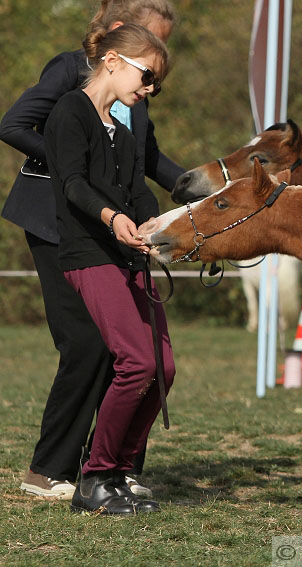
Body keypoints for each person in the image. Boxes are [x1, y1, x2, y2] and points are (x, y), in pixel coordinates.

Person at [0, 0, 183, 501]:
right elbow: (15, 126)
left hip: (115, 229)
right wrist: (75, 163)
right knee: (88, 346)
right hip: (60, 224)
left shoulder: (132, 105)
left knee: (145, 358)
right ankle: (51, 469)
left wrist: (200, 195)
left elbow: (146, 162)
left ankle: (115, 469)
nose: (154, 75)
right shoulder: (69, 77)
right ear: (120, 42)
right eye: (152, 47)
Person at [44, 22, 176, 515]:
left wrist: (159, 224)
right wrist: (113, 217)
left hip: (127, 255)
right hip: (88, 254)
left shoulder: (120, 130)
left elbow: (139, 192)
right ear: (113, 61)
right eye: (146, 77)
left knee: (162, 368)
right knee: (137, 363)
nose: (149, 90)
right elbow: (73, 185)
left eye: (155, 85)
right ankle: (95, 478)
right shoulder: (69, 112)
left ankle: (117, 473)